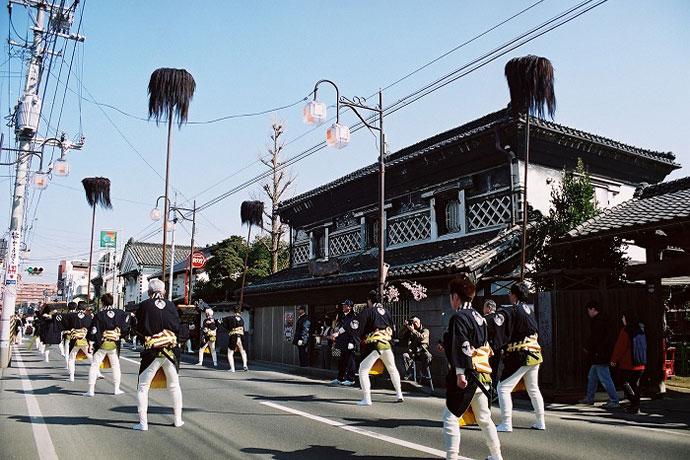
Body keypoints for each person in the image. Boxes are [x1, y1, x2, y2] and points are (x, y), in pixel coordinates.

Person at [442, 277, 502, 460]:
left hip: (468, 373)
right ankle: (496, 455)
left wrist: (460, 373)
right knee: (484, 418)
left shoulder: (459, 317)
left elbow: (463, 345)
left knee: (450, 417)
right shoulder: (480, 318)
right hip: (483, 374)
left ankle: (452, 456)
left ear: (455, 297)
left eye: (451, 297)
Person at [491, 282, 546, 432]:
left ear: (514, 295)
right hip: (535, 354)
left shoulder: (513, 310)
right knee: (533, 389)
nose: (509, 296)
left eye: (510, 293)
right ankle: (541, 421)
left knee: (503, 388)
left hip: (521, 354)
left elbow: (499, 325)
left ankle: (506, 423)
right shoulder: (529, 310)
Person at [133, 279, 183, 431]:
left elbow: (138, 327)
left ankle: (143, 423)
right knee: (174, 386)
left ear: (148, 292)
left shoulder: (143, 306)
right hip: (170, 350)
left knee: (143, 387)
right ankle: (178, 419)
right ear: (164, 292)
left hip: (152, 350)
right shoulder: (171, 305)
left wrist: (146, 338)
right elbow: (178, 326)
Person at [352, 290, 403, 406]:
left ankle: (367, 398)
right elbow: (392, 329)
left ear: (369, 300)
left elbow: (358, 325)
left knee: (363, 370)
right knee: (392, 369)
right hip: (387, 344)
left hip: (375, 344)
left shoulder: (369, 311)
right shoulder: (387, 312)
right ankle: (399, 394)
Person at [83, 293, 130, 397]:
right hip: (113, 343)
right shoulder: (120, 313)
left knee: (95, 366)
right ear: (112, 302)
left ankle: (91, 390)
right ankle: (116, 389)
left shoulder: (100, 315)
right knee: (116, 366)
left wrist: (91, 342)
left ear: (102, 303)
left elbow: (94, 330)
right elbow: (128, 318)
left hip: (102, 343)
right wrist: (120, 334)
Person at [579, 300, 619, 408]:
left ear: (593, 309)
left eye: (589, 310)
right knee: (592, 376)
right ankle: (590, 397)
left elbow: (596, 338)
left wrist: (588, 347)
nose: (588, 313)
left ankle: (614, 400)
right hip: (602, 352)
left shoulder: (598, 321)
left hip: (599, 353)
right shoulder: (604, 319)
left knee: (604, 377)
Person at [611, 310, 647, 414]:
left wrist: (614, 360)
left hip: (628, 363)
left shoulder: (626, 330)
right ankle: (635, 405)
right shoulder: (641, 329)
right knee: (635, 384)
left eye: (623, 317)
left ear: (627, 318)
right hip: (640, 362)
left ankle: (634, 403)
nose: (622, 319)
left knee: (623, 382)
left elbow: (620, 347)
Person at [65, 302, 94, 382]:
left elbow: (67, 326)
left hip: (74, 339)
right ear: (85, 308)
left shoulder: (71, 316)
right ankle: (97, 373)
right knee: (90, 357)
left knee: (71, 358)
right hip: (84, 339)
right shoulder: (88, 317)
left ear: (77, 307)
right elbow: (91, 329)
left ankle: (71, 376)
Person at [331, 300, 357, 386]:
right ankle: (340, 377)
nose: (343, 307)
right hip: (342, 341)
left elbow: (353, 330)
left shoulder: (353, 316)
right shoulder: (344, 317)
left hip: (349, 341)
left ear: (350, 307)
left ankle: (351, 378)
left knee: (350, 360)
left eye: (345, 306)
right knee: (342, 360)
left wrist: (352, 341)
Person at [399, 316, 432, 382]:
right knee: (405, 355)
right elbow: (400, 336)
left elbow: (422, 338)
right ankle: (410, 374)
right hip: (412, 352)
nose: (414, 324)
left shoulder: (425, 330)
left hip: (421, 352)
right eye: (413, 323)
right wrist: (405, 327)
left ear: (419, 321)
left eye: (416, 322)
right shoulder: (409, 330)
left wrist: (413, 331)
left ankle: (423, 374)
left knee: (428, 356)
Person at [222, 305, 248, 372]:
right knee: (243, 351)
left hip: (233, 336)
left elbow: (223, 323)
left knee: (230, 353)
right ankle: (245, 365)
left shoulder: (230, 318)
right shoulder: (241, 319)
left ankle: (232, 368)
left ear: (233, 311)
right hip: (241, 336)